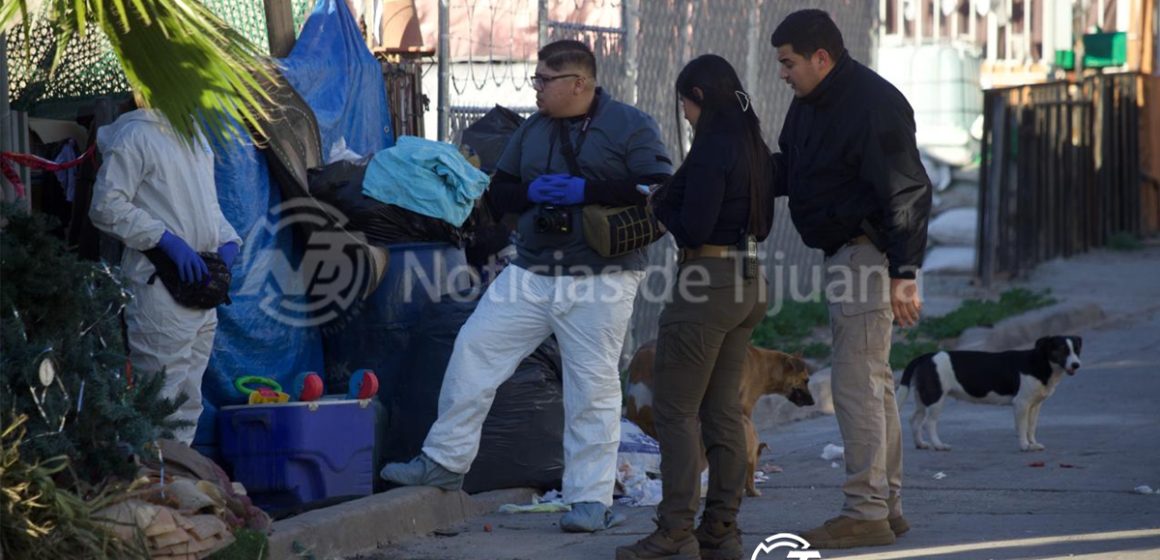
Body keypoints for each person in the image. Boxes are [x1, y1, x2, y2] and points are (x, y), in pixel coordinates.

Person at [380, 39, 673, 533]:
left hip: (603, 275)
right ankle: (445, 462)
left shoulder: (631, 125)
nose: (534, 87)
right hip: (533, 269)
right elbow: (500, 191)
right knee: (474, 348)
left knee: (592, 386)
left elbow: (658, 187)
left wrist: (587, 192)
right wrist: (532, 192)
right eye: (535, 79)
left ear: (578, 83)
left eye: (543, 80)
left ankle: (590, 499)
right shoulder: (534, 129)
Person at [769, 10, 932, 549]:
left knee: (856, 384)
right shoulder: (812, 104)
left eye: (789, 62)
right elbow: (789, 169)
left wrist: (905, 273)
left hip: (867, 257)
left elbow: (906, 190)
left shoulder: (871, 102)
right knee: (873, 383)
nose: (783, 74)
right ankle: (886, 506)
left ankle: (865, 509)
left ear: (822, 57)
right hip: (847, 255)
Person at [616, 54, 774, 560]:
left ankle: (674, 532)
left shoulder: (711, 148)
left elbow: (694, 228)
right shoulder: (752, 143)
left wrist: (660, 205)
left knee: (676, 411)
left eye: (685, 103)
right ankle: (721, 532)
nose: (684, 114)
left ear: (699, 97)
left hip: (706, 283)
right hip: (749, 280)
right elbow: (764, 224)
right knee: (723, 411)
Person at [89, 101, 241, 446]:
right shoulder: (134, 135)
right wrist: (165, 240)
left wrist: (228, 242)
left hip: (200, 290)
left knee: (188, 403)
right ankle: (155, 486)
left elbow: (209, 209)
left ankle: (174, 487)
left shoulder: (195, 138)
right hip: (159, 290)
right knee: (159, 403)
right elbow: (105, 206)